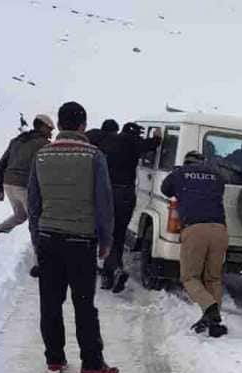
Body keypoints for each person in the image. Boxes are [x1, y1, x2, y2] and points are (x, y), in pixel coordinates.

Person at [27, 101, 119, 373]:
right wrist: (106, 240)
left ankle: (54, 361)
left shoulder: (41, 154)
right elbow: (104, 202)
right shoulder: (94, 156)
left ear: (60, 123)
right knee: (83, 304)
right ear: (82, 125)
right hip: (81, 241)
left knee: (50, 302)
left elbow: (34, 202)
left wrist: (36, 236)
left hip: (48, 238)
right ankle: (91, 365)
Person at [160, 150, 229, 338]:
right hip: (219, 229)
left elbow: (165, 190)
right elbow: (219, 189)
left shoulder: (179, 173)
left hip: (195, 228)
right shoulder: (216, 174)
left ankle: (211, 308)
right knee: (213, 278)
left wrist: (179, 178)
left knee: (190, 277)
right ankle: (214, 322)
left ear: (186, 162)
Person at [88, 120, 162, 293]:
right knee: (119, 235)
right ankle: (113, 269)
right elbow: (153, 143)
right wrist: (157, 136)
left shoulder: (107, 141)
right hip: (125, 195)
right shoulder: (134, 141)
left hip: (105, 193)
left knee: (104, 232)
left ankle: (107, 274)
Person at [0, 115, 54, 251]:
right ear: (42, 126)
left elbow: (2, 163)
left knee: (20, 215)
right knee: (37, 221)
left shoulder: (17, 140)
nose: (51, 132)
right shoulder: (43, 144)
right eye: (49, 128)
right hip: (23, 186)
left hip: (8, 183)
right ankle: (39, 257)